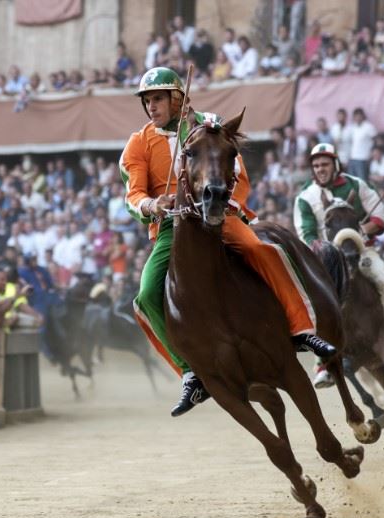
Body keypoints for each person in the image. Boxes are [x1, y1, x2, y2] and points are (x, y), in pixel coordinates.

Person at [120, 67, 336, 418]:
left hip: (220, 214)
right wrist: (152, 204)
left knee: (261, 249)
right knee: (144, 298)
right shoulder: (138, 143)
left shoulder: (210, 124)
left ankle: (301, 329)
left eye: (158, 98)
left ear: (177, 98)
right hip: (174, 228)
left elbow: (238, 174)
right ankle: (189, 371)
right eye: (147, 100)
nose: (151, 107)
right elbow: (134, 195)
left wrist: (223, 206)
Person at [293, 143, 384, 385]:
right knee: (314, 301)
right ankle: (321, 363)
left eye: (325, 164)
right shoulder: (305, 197)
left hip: (362, 249)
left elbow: (381, 216)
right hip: (329, 258)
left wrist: (359, 230)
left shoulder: (356, 184)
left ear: (336, 165)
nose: (320, 169)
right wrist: (325, 248)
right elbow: (306, 234)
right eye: (316, 165)